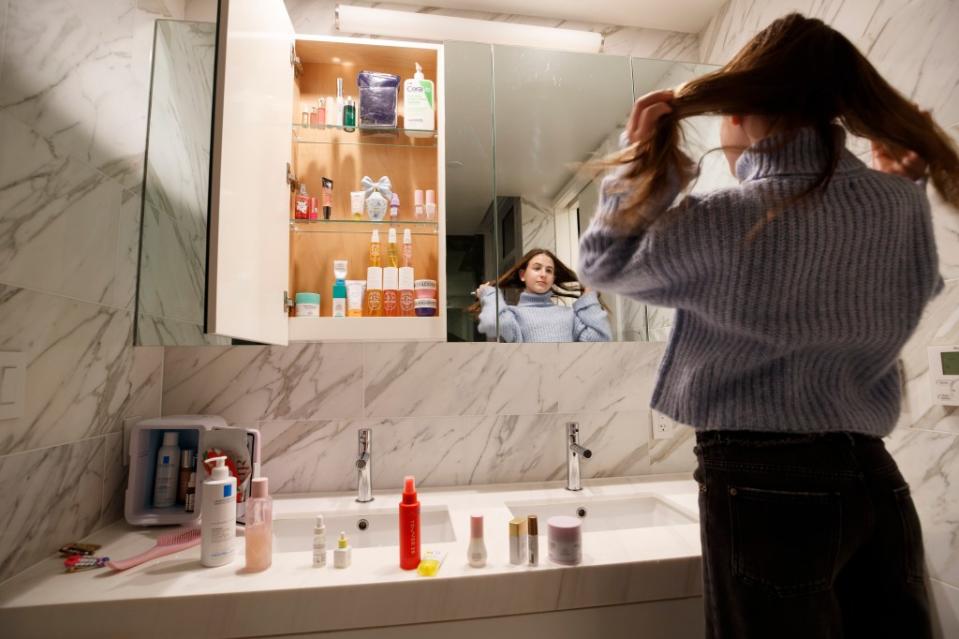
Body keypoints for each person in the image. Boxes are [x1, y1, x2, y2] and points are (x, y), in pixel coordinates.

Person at [578, 13, 958, 639]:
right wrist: (905, 196)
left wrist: (645, 169)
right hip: (875, 477)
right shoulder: (897, 203)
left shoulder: (726, 218)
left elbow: (601, 264)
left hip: (762, 484)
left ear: (737, 115)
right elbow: (918, 289)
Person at [472, 248, 611, 342]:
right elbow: (492, 323)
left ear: (553, 278)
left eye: (549, 271)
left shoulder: (569, 315)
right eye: (537, 268)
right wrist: (489, 295)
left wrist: (589, 292)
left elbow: (600, 340)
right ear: (522, 275)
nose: (543, 274)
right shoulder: (513, 315)